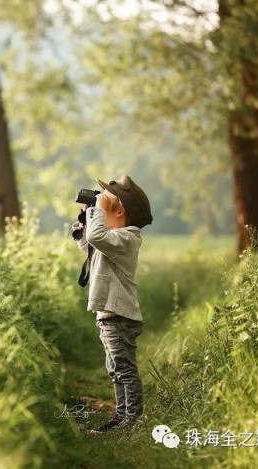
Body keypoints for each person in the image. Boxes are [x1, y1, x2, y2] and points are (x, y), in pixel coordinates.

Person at [72, 175, 153, 433]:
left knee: (124, 369)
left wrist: (98, 210)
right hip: (109, 314)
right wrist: (85, 219)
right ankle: (121, 418)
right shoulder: (112, 237)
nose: (99, 202)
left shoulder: (128, 238)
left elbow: (97, 237)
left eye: (106, 199)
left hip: (120, 315)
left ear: (118, 210)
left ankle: (133, 420)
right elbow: (89, 244)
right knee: (115, 369)